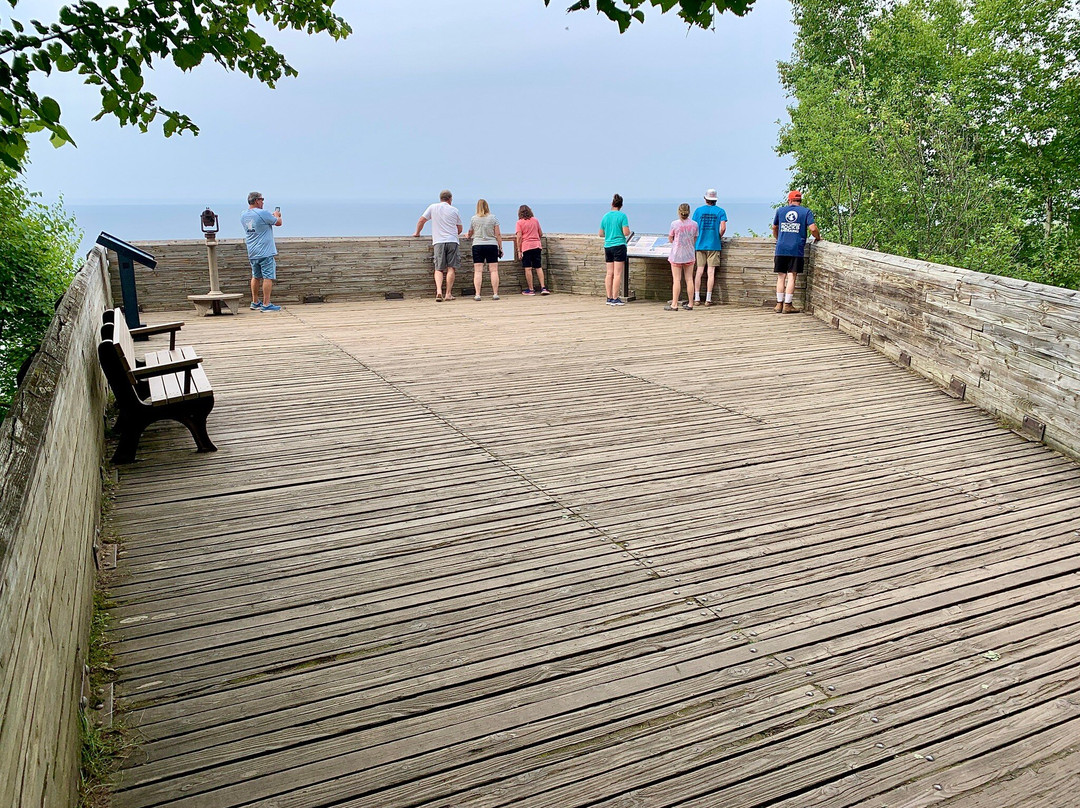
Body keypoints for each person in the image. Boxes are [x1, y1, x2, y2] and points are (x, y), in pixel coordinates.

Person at [771, 189, 822, 313]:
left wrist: (779, 238)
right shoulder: (806, 212)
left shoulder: (781, 210)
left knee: (781, 276)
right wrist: (818, 237)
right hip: (796, 248)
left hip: (781, 247)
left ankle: (779, 304)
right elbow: (813, 228)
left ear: (789, 200)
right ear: (800, 201)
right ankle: (787, 305)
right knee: (792, 276)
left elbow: (774, 227)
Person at [414, 189, 463, 301]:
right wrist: (454, 233)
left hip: (438, 241)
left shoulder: (433, 207)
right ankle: (448, 294)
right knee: (451, 268)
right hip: (452, 241)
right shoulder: (454, 210)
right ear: (450, 199)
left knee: (438, 268)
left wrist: (417, 233)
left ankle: (439, 291)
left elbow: (421, 220)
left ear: (440, 198)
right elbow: (460, 228)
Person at [241, 191, 283, 311]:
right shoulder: (262, 213)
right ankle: (266, 303)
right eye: (261, 199)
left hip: (252, 251)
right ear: (256, 200)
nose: (263, 202)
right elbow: (278, 223)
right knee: (267, 277)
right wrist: (277, 215)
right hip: (265, 251)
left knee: (255, 276)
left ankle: (255, 302)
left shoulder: (244, 215)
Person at [692, 189, 728, 307]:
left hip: (700, 244)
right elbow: (723, 228)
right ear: (715, 199)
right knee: (711, 272)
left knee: (699, 271)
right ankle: (708, 298)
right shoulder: (720, 211)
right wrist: (718, 236)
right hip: (714, 244)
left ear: (705, 198)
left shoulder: (698, 211)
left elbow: (694, 227)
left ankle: (696, 298)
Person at [665, 203, 699, 311]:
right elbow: (695, 238)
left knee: (677, 280)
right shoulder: (694, 224)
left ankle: (674, 304)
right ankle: (690, 303)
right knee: (689, 279)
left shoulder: (674, 224)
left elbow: (671, 238)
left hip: (677, 254)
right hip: (689, 253)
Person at [467, 199, 503, 300]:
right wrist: (500, 247)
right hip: (491, 244)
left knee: (478, 271)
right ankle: (495, 293)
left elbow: (470, 232)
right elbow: (498, 234)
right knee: (494, 270)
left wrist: (468, 235)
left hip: (477, 245)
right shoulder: (493, 218)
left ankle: (478, 294)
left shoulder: (474, 219)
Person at [599, 193, 630, 306]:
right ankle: (616, 297)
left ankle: (609, 297)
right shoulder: (622, 216)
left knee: (609, 273)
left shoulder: (605, 216)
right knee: (617, 274)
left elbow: (601, 233)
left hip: (608, 246)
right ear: (621, 205)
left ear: (612, 204)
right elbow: (626, 232)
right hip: (619, 245)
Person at [515, 205, 549, 295]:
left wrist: (519, 250)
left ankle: (531, 289)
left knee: (528, 268)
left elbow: (519, 237)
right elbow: (540, 233)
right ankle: (543, 288)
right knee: (538, 267)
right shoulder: (535, 220)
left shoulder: (519, 223)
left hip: (526, 246)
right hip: (537, 245)